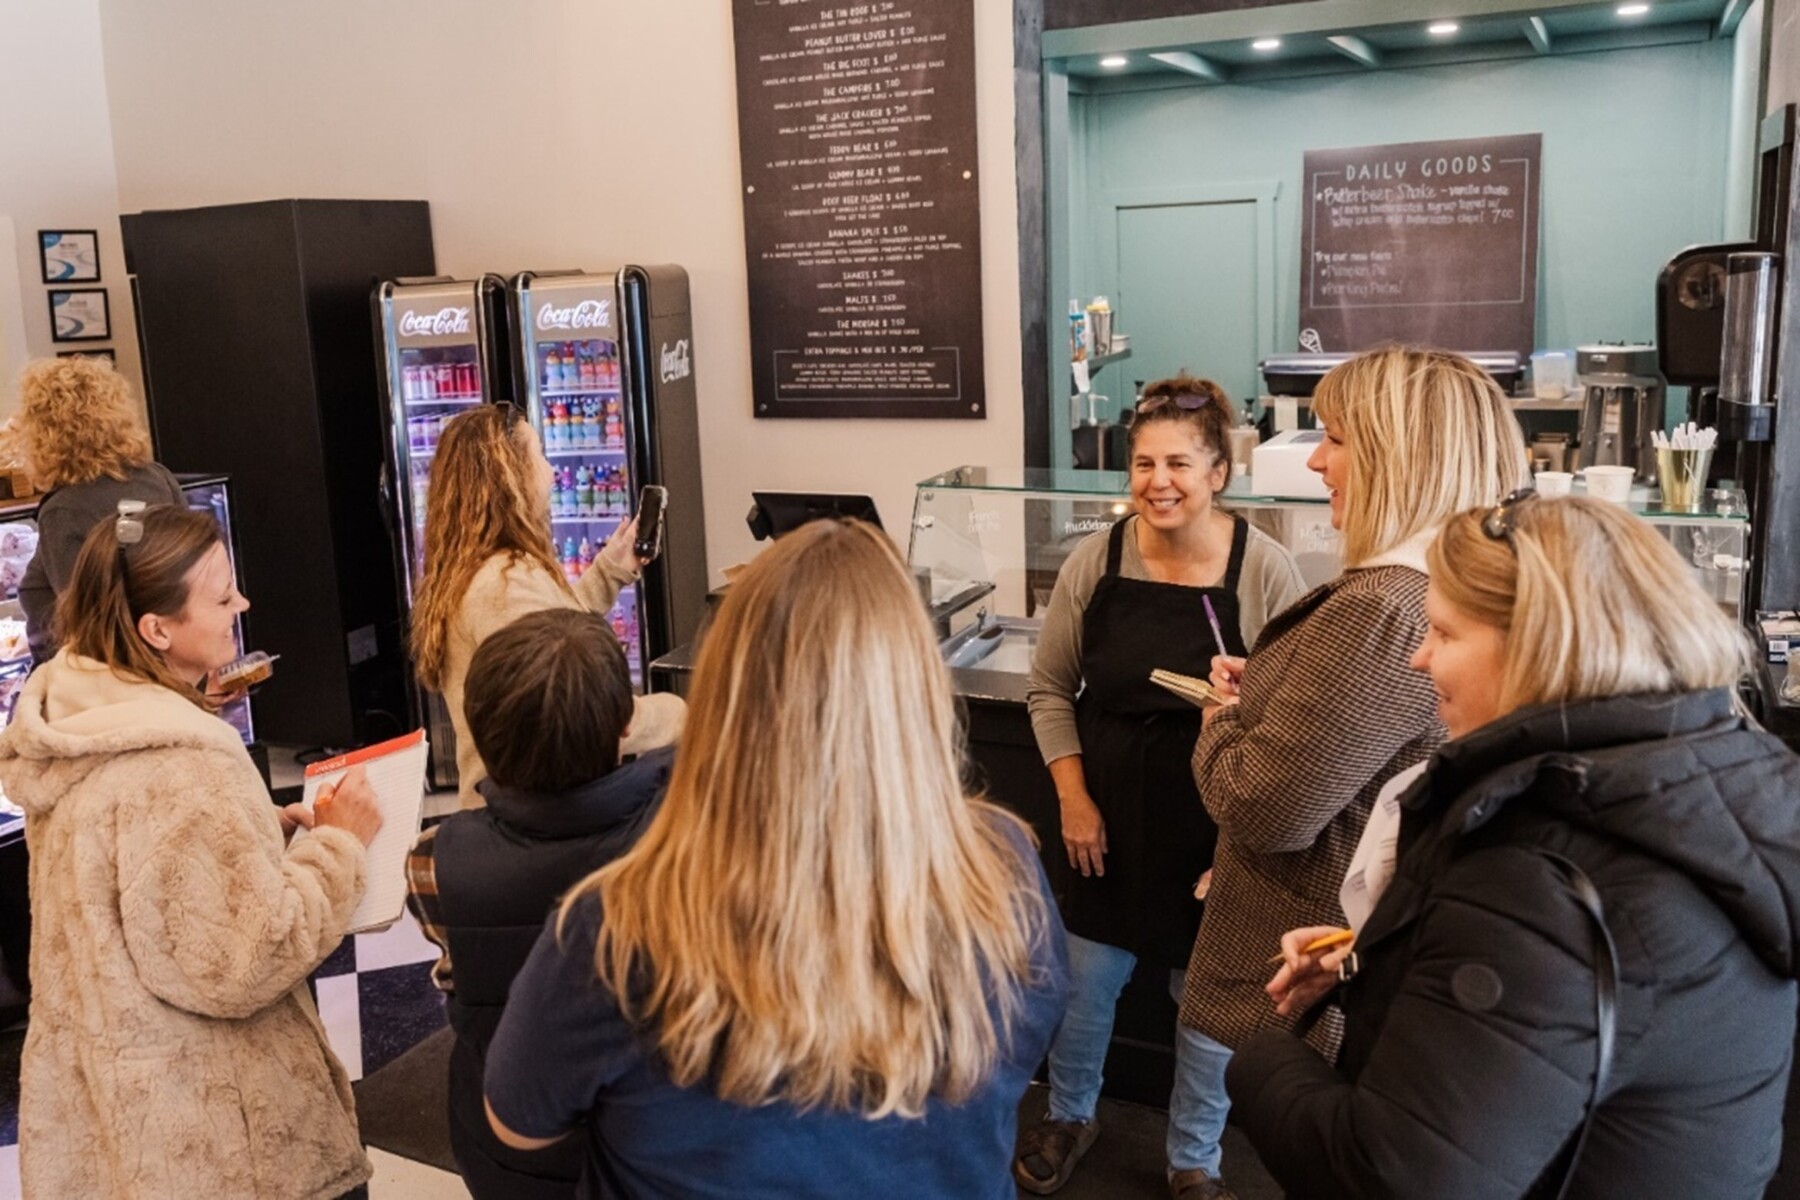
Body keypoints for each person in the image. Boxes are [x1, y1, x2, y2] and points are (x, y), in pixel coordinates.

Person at [1228, 494, 1800, 1199]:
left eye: (1443, 631)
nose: (1418, 657)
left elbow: (1389, 1176)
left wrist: (1259, 1059)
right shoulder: (1705, 787)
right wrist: (1383, 962)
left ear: (1535, 646)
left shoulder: (1536, 878)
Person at [483, 519, 1069, 1199]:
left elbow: (519, 1126)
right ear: (915, 692)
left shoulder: (619, 927)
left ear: (725, 699)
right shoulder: (1005, 869)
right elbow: (1032, 1034)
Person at [1176, 347, 1527, 1198]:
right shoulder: (1438, 592)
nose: (1318, 460)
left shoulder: (1378, 606)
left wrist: (1222, 722)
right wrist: (1274, 689)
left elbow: (1266, 808)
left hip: (1321, 965)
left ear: (1400, 453)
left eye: (1334, 438)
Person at [0, 502, 383, 1199]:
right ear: (157, 629)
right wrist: (338, 846)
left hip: (117, 1131)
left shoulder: (79, 717)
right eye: (220, 595)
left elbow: (133, 877)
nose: (242, 602)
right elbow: (248, 957)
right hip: (221, 1146)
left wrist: (257, 833)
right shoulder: (182, 765)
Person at [1016, 374, 1304, 1195]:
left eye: (1179, 463)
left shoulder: (1265, 569)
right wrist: (1073, 799)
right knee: (1082, 987)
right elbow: (1049, 690)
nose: (1158, 482)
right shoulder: (1094, 558)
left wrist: (1240, 848)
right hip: (1101, 813)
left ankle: (1194, 1161)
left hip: (1215, 825)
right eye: (1143, 464)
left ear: (1219, 472)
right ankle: (1070, 1115)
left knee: (1204, 1009)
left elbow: (1287, 723)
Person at [406, 608, 672, 1200]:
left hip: (504, 1147)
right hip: (642, 1141)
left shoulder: (431, 861)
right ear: (625, 723)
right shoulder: (678, 833)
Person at [409, 403, 683, 808]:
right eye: (540, 455)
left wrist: (610, 570)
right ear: (509, 475)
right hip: (535, 815)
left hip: (506, 810)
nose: (552, 472)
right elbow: (564, 703)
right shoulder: (504, 583)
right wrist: (676, 715)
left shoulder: (483, 569)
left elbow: (551, 633)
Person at [8, 356, 184, 660]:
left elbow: (86, 626)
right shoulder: (158, 478)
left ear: (43, 431)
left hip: (102, 681)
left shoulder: (63, 510)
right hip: (170, 659)